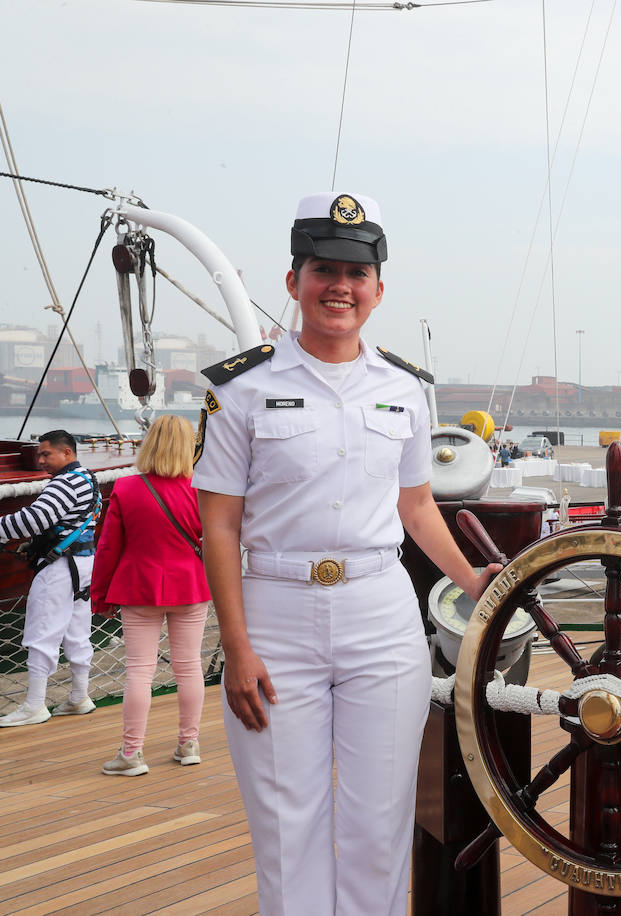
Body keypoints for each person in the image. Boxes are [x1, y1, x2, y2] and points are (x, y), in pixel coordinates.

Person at [193, 192, 501, 915]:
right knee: (285, 826)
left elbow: (417, 506)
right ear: (293, 280)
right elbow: (220, 527)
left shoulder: (404, 389)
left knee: (378, 827)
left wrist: (470, 578)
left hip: (379, 615)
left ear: (379, 290)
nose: (341, 286)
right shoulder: (242, 388)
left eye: (357, 274)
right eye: (324, 269)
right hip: (274, 615)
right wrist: (234, 646)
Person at [90, 415, 212, 776]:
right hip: (190, 585)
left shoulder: (126, 489)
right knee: (189, 667)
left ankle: (131, 753)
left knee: (139, 672)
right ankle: (189, 744)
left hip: (138, 586)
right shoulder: (201, 488)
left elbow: (108, 547)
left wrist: (100, 596)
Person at [0, 430, 101, 727]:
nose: (41, 460)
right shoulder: (87, 478)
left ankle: (34, 705)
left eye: (47, 454)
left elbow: (34, 519)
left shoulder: (65, 482)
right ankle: (80, 697)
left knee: (42, 632)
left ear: (67, 453)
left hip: (59, 569)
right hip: (83, 565)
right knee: (78, 631)